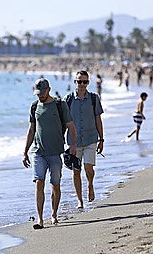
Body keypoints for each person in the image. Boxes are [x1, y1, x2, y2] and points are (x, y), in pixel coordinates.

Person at [22, 78, 77, 229]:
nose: (40, 96)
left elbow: (71, 126)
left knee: (55, 185)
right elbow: (31, 130)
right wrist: (25, 151)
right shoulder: (34, 107)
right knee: (39, 182)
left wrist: (73, 145)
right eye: (37, 93)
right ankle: (40, 219)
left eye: (42, 93)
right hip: (38, 152)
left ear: (49, 90)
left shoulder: (60, 105)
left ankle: (54, 214)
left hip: (55, 153)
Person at [64, 70, 104, 209]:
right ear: (75, 82)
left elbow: (98, 119)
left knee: (88, 167)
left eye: (85, 82)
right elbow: (64, 122)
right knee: (76, 171)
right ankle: (80, 200)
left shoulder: (94, 98)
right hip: (74, 142)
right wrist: (61, 142)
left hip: (91, 138)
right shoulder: (67, 100)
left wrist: (102, 139)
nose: (82, 84)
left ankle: (90, 185)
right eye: (79, 81)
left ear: (88, 83)